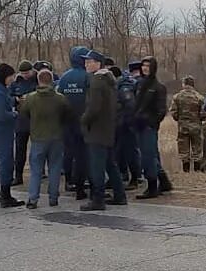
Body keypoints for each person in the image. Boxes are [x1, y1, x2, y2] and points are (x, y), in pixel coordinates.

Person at [80, 51, 127, 211]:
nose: (86, 64)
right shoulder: (109, 80)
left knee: (97, 166)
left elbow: (94, 107)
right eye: (85, 62)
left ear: (98, 63)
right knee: (110, 164)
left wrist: (84, 120)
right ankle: (120, 195)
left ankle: (98, 199)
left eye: (89, 61)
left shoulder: (97, 81)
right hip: (108, 127)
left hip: (98, 129)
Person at [20, 69, 73, 209]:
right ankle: (53, 197)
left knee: (36, 170)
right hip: (56, 137)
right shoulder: (60, 98)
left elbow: (23, 112)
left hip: (38, 137)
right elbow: (68, 114)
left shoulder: (31, 98)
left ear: (38, 80)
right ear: (51, 80)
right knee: (55, 168)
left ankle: (33, 199)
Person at [0, 63, 23, 208]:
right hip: (1, 131)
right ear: (4, 76)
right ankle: (5, 195)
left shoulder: (0, 89)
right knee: (5, 162)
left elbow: (5, 102)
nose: (12, 79)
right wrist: (15, 113)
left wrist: (15, 100)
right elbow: (1, 115)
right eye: (11, 76)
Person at [134, 56, 170, 199]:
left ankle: (152, 186)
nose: (145, 68)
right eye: (143, 66)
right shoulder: (139, 85)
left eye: (148, 66)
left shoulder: (158, 87)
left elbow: (161, 110)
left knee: (149, 157)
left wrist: (151, 122)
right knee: (149, 156)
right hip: (138, 125)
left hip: (149, 126)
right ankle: (163, 181)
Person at [56, 48, 91, 199]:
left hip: (67, 122)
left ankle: (69, 181)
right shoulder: (88, 77)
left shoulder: (64, 78)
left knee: (69, 153)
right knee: (83, 155)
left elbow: (59, 98)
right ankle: (81, 186)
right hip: (84, 121)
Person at [113, 64, 142, 188]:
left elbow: (129, 106)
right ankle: (124, 176)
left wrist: (125, 123)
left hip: (127, 125)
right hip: (121, 125)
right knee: (120, 153)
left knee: (131, 153)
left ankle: (135, 179)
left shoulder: (124, 87)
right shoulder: (122, 85)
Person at [11, 60, 38, 186]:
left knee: (37, 150)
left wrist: (32, 96)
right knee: (20, 149)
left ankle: (37, 173)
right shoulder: (16, 82)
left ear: (32, 71)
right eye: (22, 73)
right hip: (21, 120)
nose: (25, 75)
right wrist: (15, 99)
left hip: (35, 119)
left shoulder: (38, 79)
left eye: (27, 73)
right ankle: (18, 175)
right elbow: (8, 96)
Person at [170, 76, 205, 173]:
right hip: (196, 127)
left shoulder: (177, 97)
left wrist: (180, 119)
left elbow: (174, 112)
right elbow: (204, 114)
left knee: (184, 150)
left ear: (184, 84)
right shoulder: (199, 97)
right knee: (197, 150)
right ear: (193, 84)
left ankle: (186, 171)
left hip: (183, 127)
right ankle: (197, 171)